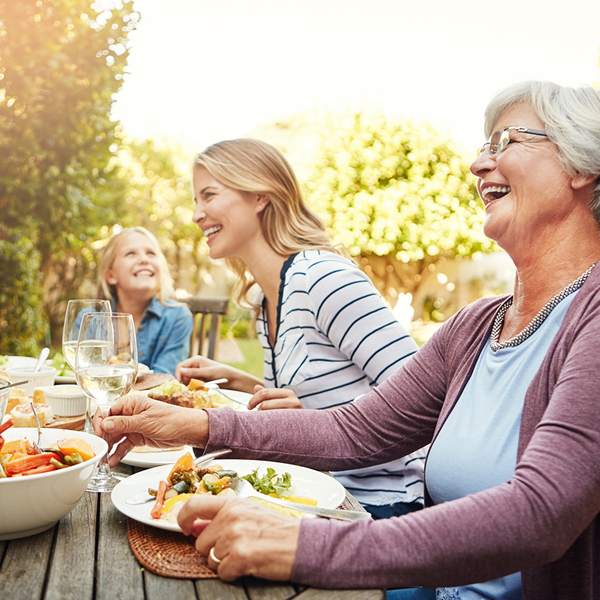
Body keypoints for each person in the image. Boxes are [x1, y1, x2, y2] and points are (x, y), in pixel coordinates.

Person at [98, 80, 600, 599]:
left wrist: (304, 545)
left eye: (507, 142)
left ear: (582, 167)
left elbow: (543, 512)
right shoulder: (475, 325)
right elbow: (353, 432)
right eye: (483, 147)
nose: (478, 165)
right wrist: (193, 423)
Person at [174, 138, 425, 518]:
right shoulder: (265, 299)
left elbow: (421, 400)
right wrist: (239, 381)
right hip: (310, 490)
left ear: (260, 195)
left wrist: (306, 417)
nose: (197, 213)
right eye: (196, 200)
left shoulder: (322, 278)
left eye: (208, 195)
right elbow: (300, 399)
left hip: (377, 503)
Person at [98, 226, 193, 375]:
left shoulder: (178, 316)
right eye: (131, 253)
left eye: (151, 253)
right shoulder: (89, 318)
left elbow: (163, 378)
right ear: (111, 275)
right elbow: (82, 373)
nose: (144, 259)